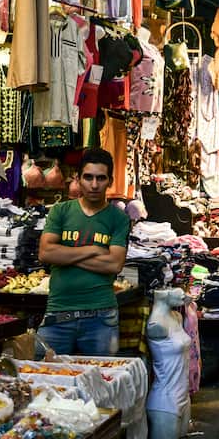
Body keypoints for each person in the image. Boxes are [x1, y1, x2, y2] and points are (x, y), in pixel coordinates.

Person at [36, 148, 130, 356]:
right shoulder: (61, 211)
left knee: (101, 382)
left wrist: (66, 255)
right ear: (78, 179)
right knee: (44, 377)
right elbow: (46, 253)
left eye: (100, 178)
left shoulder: (118, 218)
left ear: (110, 181)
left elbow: (114, 264)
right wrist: (94, 250)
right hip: (58, 314)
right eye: (88, 177)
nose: (94, 185)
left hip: (101, 317)